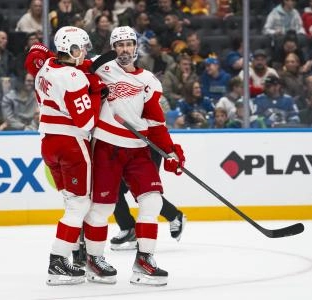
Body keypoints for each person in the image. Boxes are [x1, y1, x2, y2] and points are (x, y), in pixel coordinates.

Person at [83, 26, 186, 286]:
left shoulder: (149, 80)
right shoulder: (100, 66)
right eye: (119, 45)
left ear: (136, 47)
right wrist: (95, 88)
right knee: (102, 207)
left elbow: (155, 120)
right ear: (112, 47)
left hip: (138, 149)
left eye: (129, 44)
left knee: (151, 201)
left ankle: (144, 261)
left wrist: (170, 150)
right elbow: (75, 75)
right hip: (107, 146)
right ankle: (94, 259)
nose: (124, 50)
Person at [32, 26, 104, 285]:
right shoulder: (74, 77)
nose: (84, 52)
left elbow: (35, 56)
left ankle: (71, 253)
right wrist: (96, 91)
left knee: (70, 201)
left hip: (48, 142)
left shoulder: (45, 67)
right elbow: (86, 121)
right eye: (80, 48)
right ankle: (58, 260)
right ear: (70, 49)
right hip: (71, 142)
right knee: (80, 204)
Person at [110, 147, 187, 250]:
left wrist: (171, 151)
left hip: (146, 149)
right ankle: (128, 228)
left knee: (145, 191)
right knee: (112, 187)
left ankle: (174, 215)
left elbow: (159, 132)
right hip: (123, 146)